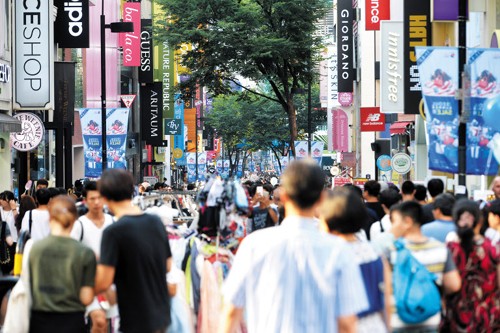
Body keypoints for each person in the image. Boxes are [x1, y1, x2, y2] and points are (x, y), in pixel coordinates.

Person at [220, 160, 368, 333]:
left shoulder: (254, 245)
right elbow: (347, 323)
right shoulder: (339, 250)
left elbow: (231, 311)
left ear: (283, 197)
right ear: (321, 198)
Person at [94, 169, 174, 333]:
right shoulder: (155, 222)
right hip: (161, 316)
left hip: (135, 319)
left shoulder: (113, 232)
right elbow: (168, 265)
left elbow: (104, 282)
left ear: (104, 197)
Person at [383, 201, 461, 332]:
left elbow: (383, 288)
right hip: (431, 318)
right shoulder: (440, 249)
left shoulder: (390, 251)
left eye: (394, 222)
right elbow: (453, 285)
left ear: (407, 222)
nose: (391, 228)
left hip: (398, 321)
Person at [320, 188, 390, 333]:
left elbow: (345, 316)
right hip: (375, 325)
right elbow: (386, 302)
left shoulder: (330, 256)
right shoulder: (375, 253)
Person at [29, 195, 96, 332]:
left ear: (50, 218)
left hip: (39, 320)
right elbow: (87, 297)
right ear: (74, 220)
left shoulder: (35, 248)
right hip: (72, 320)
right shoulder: (85, 252)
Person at [441, 199, 499, 332]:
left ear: (455, 220)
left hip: (457, 319)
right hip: (487, 318)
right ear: (480, 220)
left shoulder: (449, 249)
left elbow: (448, 286)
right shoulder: (494, 248)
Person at [70, 181, 114, 333]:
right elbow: (72, 253)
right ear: (85, 201)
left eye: (99, 198)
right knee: (99, 320)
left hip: (110, 283)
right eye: (92, 199)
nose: (96, 202)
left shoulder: (112, 222)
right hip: (88, 283)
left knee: (107, 323)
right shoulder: (79, 225)